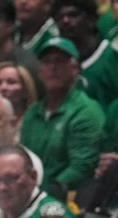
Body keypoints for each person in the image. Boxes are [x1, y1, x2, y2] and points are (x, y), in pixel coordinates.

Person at [20, 37, 105, 202]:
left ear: (75, 69)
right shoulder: (32, 112)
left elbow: (82, 167)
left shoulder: (86, 111)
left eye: (60, 61)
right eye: (46, 62)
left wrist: (46, 191)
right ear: (39, 72)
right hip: (30, 191)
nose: (53, 67)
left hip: (69, 196)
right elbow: (23, 156)